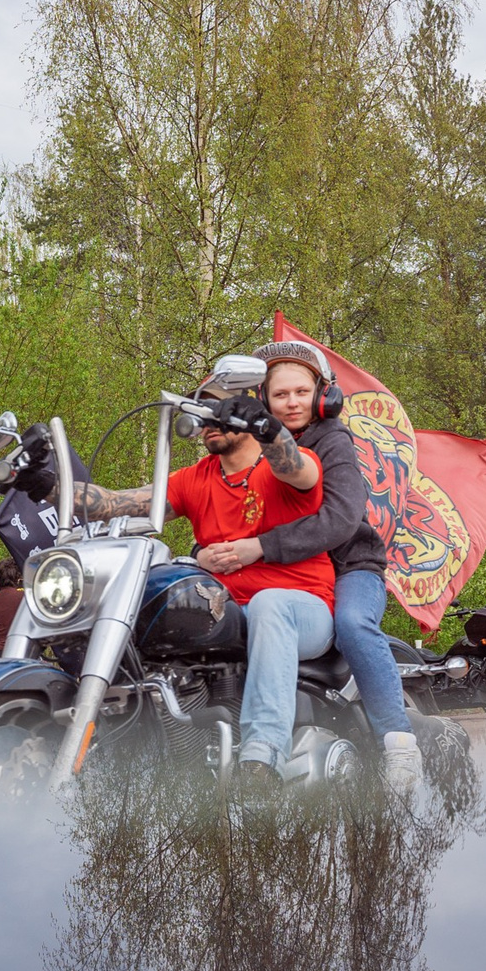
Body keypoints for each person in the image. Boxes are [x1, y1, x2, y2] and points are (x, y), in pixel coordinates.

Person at [30, 363, 335, 783]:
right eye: (199, 411)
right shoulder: (196, 478)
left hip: (305, 609)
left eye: (217, 409)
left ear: (246, 410)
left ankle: (262, 756)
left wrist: (268, 427)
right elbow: (114, 502)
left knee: (269, 604)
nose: (206, 420)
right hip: (229, 611)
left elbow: (296, 468)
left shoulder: (285, 464)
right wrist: (44, 483)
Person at [193, 338, 423, 794]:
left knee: (354, 624)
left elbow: (339, 519)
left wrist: (261, 547)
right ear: (263, 400)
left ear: (323, 395)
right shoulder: (248, 447)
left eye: (301, 392)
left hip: (349, 566)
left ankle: (399, 742)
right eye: (280, 395)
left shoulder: (332, 440)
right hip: (289, 576)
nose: (291, 402)